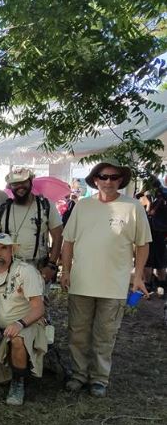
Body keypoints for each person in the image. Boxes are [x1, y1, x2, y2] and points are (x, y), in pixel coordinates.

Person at [61, 159, 151, 397]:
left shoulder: (133, 207)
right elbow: (68, 241)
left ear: (121, 180)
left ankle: (99, 379)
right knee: (78, 333)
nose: (108, 181)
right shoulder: (82, 206)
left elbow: (143, 245)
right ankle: (79, 375)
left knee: (105, 335)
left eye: (114, 177)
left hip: (114, 285)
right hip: (81, 282)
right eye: (103, 177)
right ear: (95, 180)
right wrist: (66, 271)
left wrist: (138, 276)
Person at [0, 233, 47, 406]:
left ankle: (18, 384)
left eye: (4, 248)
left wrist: (20, 323)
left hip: (27, 323)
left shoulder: (25, 271)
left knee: (17, 338)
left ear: (11, 251)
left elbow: (39, 308)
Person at [0, 167, 63, 283]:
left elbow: (58, 236)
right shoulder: (3, 209)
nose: (20, 186)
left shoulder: (45, 206)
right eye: (15, 184)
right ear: (10, 186)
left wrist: (51, 266)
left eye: (24, 182)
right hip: (8, 269)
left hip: (39, 270)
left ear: (30, 182)